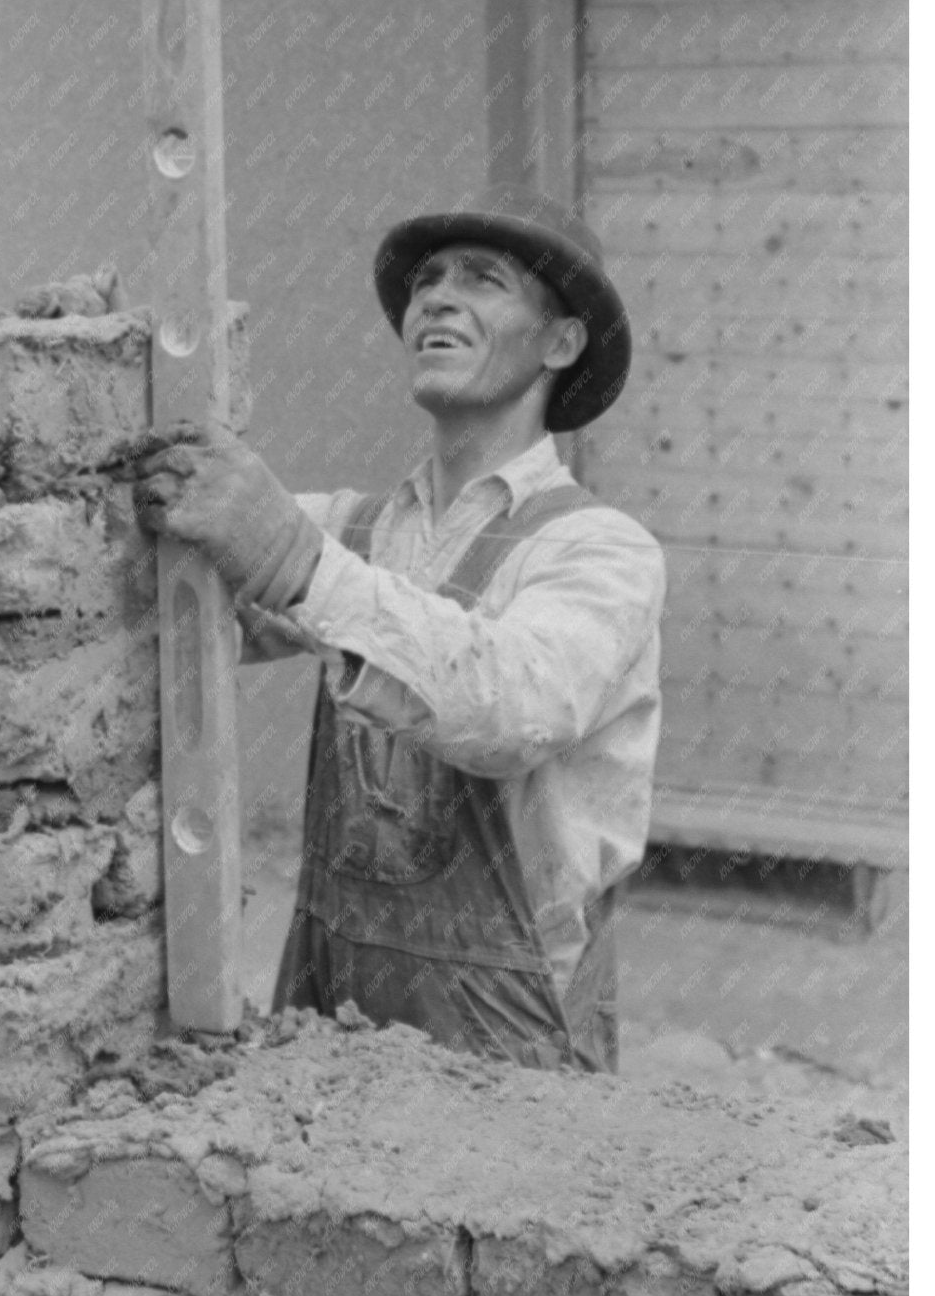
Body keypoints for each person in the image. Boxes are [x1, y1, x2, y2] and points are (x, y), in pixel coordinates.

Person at [132, 188, 665, 1072]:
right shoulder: (358, 530)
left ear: (560, 343)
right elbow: (180, 624)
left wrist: (295, 565)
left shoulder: (600, 551)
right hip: (331, 996)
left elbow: (512, 705)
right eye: (428, 280)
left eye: (484, 280)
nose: (437, 298)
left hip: (504, 1030)